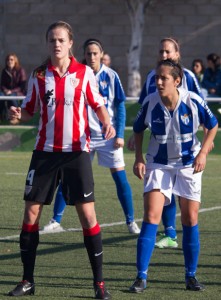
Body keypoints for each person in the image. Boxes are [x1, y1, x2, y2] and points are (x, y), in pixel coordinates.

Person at [7, 21, 114, 299]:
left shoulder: (84, 73)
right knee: (30, 215)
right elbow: (30, 111)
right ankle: (27, 280)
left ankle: (99, 283)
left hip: (77, 153)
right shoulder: (39, 75)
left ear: (70, 44)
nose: (56, 44)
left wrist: (106, 123)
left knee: (87, 216)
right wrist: (19, 116)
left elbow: (98, 105)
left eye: (61, 39)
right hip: (44, 154)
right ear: (48, 44)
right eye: (52, 40)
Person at [129, 59, 218, 293]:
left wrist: (203, 153)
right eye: (157, 77)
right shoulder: (150, 102)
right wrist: (139, 158)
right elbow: (137, 129)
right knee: (151, 215)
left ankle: (191, 276)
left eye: (164, 78)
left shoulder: (193, 100)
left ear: (177, 81)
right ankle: (141, 277)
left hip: (189, 164)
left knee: (189, 218)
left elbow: (213, 125)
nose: (158, 82)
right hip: (158, 163)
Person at [43, 38, 140, 235]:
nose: (92, 57)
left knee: (120, 179)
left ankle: (131, 222)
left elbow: (120, 106)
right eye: (88, 53)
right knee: (68, 177)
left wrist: (119, 133)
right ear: (84, 55)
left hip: (107, 136)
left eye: (95, 53)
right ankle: (56, 220)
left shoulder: (111, 76)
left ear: (102, 55)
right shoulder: (76, 74)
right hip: (82, 137)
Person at [127, 37, 205, 249]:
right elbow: (143, 106)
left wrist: (206, 142)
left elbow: (201, 106)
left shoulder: (187, 77)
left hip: (186, 144)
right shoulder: (152, 77)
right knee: (163, 189)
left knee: (183, 199)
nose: (164, 55)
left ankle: (181, 249)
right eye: (161, 52)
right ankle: (170, 233)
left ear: (177, 54)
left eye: (168, 52)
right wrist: (133, 134)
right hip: (161, 143)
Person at [0, 53, 27, 121]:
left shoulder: (20, 70)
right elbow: (2, 84)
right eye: (8, 60)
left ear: (15, 61)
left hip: (18, 92)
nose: (9, 61)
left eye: (11, 59)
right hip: (6, 92)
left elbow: (22, 86)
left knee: (11, 97)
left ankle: (16, 117)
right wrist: (5, 90)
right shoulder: (4, 71)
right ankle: (2, 116)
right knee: (1, 96)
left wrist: (11, 91)